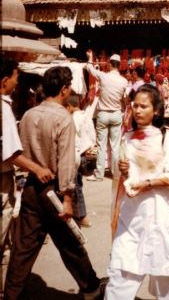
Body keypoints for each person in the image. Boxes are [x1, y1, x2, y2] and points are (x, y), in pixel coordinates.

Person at [4, 66, 103, 300]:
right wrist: (68, 198)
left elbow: (20, 152)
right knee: (71, 245)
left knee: (23, 249)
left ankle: (11, 294)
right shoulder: (63, 119)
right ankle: (91, 289)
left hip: (30, 187)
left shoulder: (28, 115)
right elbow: (67, 162)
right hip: (55, 192)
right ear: (64, 88)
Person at [106, 84, 169, 300]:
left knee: (162, 277)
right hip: (130, 217)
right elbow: (121, 177)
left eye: (144, 106)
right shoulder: (126, 137)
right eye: (135, 105)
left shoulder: (167, 138)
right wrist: (123, 172)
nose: (138, 110)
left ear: (157, 111)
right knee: (120, 273)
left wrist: (147, 183)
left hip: (159, 215)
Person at [1, 59, 54, 261]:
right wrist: (38, 169)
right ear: (5, 80)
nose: (16, 82)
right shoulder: (4, 107)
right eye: (16, 77)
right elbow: (11, 152)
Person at [86, 51, 128, 181]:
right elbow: (124, 100)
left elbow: (89, 69)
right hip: (116, 114)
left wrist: (90, 58)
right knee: (115, 147)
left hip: (103, 115)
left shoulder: (103, 76)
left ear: (110, 64)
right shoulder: (124, 81)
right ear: (119, 66)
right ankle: (116, 174)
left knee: (101, 146)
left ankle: (99, 174)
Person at [66, 93, 96, 228]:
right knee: (78, 184)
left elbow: (74, 138)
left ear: (70, 106)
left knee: (76, 185)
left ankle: (82, 216)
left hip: (77, 154)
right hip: (85, 154)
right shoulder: (86, 116)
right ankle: (78, 214)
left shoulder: (73, 119)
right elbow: (92, 136)